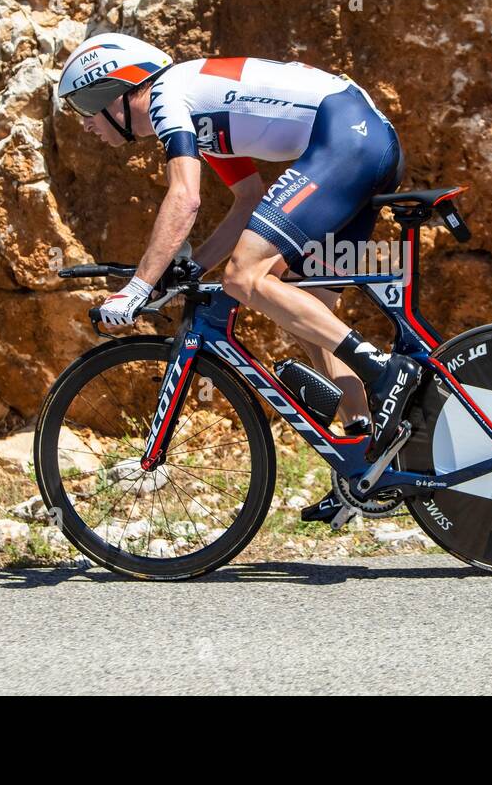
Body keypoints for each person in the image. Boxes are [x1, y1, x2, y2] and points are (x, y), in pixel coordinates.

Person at [57, 32, 421, 523]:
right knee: (304, 311)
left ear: (116, 93)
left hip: (349, 140)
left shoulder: (168, 96)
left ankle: (385, 371)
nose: (83, 123)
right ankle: (364, 455)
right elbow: (247, 200)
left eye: (84, 104)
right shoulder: (205, 115)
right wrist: (188, 269)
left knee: (245, 277)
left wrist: (139, 287)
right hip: (362, 141)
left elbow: (185, 199)